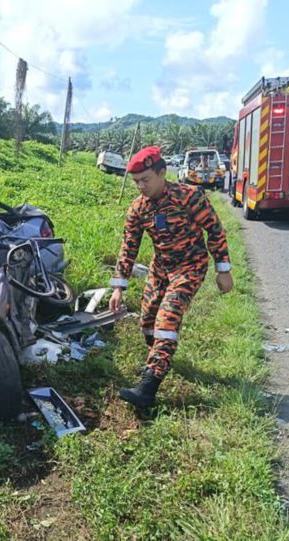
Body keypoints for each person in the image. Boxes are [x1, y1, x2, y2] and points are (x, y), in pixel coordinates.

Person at [109, 146, 233, 408]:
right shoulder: (138, 209)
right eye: (136, 182)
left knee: (168, 317)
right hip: (161, 267)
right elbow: (128, 247)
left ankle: (148, 388)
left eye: (146, 180)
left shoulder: (188, 197)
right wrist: (118, 288)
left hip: (190, 266)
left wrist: (223, 270)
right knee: (148, 322)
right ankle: (161, 355)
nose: (141, 187)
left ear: (163, 172)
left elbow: (215, 229)